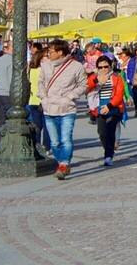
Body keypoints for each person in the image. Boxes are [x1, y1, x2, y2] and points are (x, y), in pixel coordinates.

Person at [36, 41, 89, 179]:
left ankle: (64, 164)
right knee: (54, 142)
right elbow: (40, 82)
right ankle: (61, 163)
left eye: (51, 51)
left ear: (60, 52)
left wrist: (70, 97)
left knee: (65, 139)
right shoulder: (45, 65)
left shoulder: (76, 66)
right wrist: (43, 97)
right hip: (49, 107)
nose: (48, 54)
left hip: (67, 108)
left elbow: (83, 85)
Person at [86, 56, 129, 167]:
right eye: (100, 67)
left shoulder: (117, 77)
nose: (103, 69)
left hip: (114, 108)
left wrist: (109, 106)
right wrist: (97, 80)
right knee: (102, 133)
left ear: (110, 66)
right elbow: (87, 87)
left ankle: (108, 156)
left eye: (106, 66)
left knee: (110, 130)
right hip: (99, 108)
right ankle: (109, 149)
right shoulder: (94, 77)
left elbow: (119, 95)